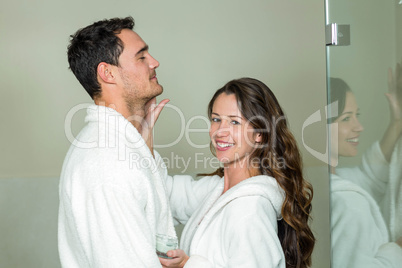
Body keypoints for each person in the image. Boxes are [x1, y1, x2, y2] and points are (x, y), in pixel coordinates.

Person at [157, 78, 315, 267]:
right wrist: (142, 135)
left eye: (234, 122)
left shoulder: (249, 209)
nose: (220, 132)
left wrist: (188, 265)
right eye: (216, 119)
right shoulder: (220, 189)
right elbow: (165, 194)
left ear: (260, 134)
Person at [58, 16, 175, 267]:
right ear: (108, 72)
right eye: (141, 57)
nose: (154, 62)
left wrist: (145, 150)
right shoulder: (105, 163)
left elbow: (163, 201)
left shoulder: (120, 147)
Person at [328, 77, 402, 268]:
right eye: (346, 118)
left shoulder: (321, 182)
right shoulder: (347, 203)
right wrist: (397, 248)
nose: (359, 127)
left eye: (356, 115)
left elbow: (371, 177)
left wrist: (397, 121)